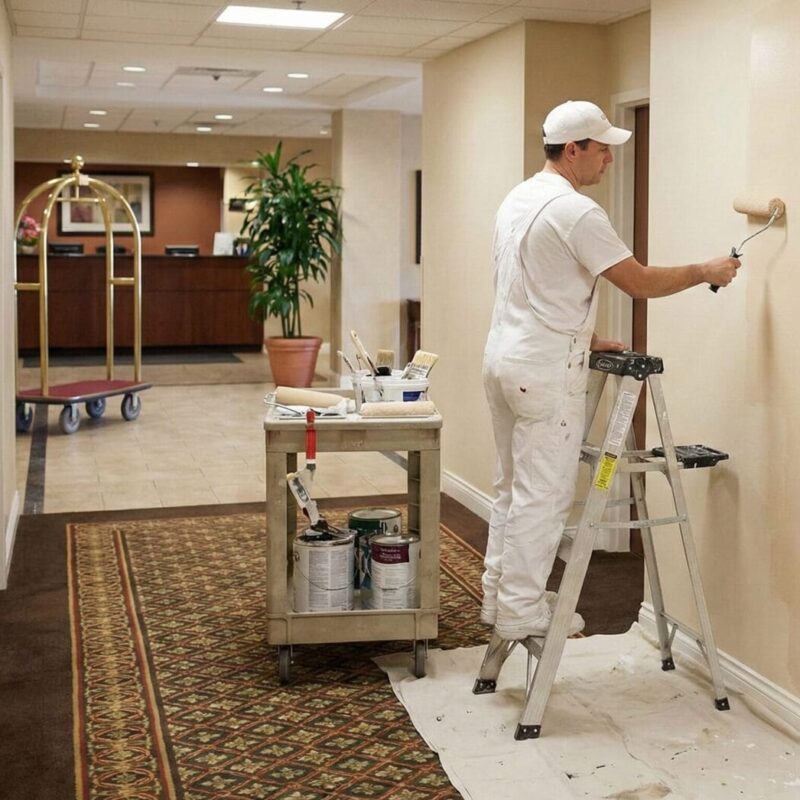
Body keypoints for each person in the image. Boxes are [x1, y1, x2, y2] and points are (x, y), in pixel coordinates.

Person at [481, 100, 740, 641]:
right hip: (543, 372)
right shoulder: (577, 212)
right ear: (572, 150)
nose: (609, 161)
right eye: (602, 150)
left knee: (511, 488)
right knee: (544, 495)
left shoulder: (520, 197)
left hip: (506, 357)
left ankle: (498, 594)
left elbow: (528, 281)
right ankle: (520, 610)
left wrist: (582, 332)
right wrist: (705, 270)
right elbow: (639, 282)